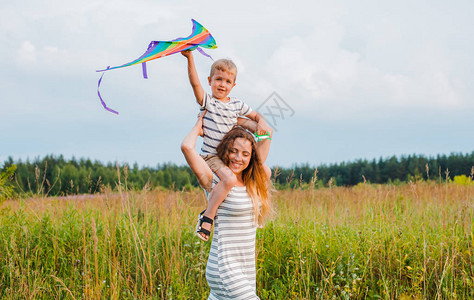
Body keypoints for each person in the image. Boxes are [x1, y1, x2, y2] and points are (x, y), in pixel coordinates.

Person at [181, 111, 273, 299]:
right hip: (224, 267)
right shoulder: (215, 181)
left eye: (245, 154)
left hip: (246, 269)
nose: (238, 158)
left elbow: (267, 133)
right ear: (225, 151)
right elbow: (186, 147)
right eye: (233, 151)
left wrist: (243, 121)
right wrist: (199, 127)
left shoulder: (255, 182)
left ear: (251, 157)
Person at [181, 50, 272, 241]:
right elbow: (195, 84)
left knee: (266, 171)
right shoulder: (208, 102)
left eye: (227, 81)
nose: (222, 84)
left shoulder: (237, 104)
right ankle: (207, 217)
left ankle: (258, 208)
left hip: (230, 155)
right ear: (210, 80)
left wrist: (262, 122)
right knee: (229, 180)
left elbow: (255, 116)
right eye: (218, 79)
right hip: (212, 157)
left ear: (233, 85)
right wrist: (190, 58)